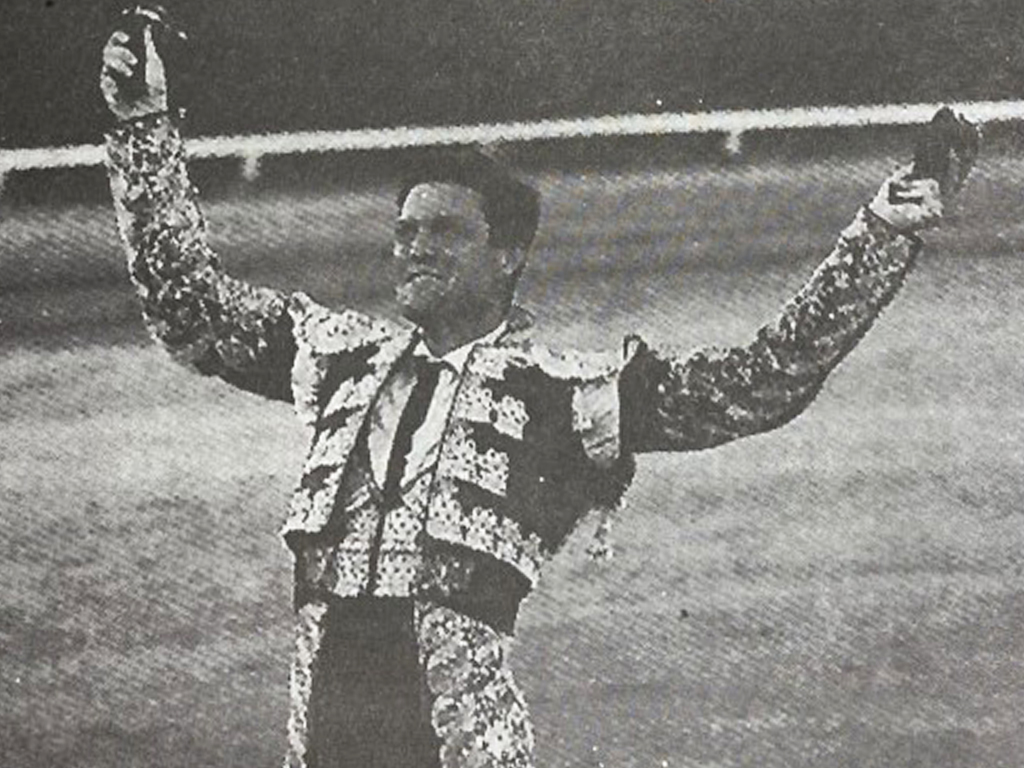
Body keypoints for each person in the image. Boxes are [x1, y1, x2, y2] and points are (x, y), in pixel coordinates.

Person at [100, 20, 978, 768]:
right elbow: (190, 310)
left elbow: (760, 382)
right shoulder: (336, 356)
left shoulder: (568, 394)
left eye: (444, 231)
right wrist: (141, 123)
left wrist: (879, 236)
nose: (414, 249)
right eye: (404, 230)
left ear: (507, 255)